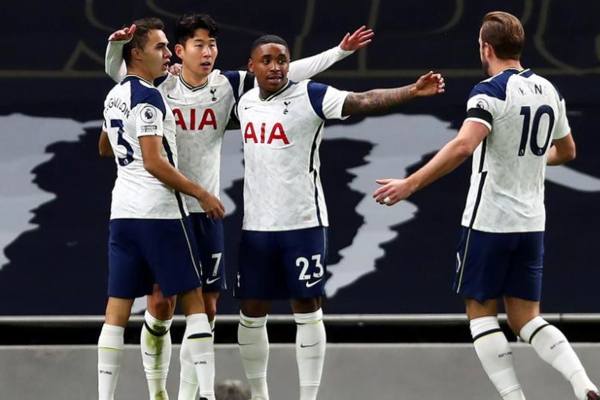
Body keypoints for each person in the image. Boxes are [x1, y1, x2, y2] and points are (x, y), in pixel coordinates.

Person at [103, 14, 374, 400]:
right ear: (180, 51)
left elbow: (282, 70)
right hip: (167, 209)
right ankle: (157, 390)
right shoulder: (159, 83)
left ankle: (191, 394)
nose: (208, 52)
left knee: (207, 308)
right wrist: (115, 45)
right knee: (161, 304)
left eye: (212, 45)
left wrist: (339, 52)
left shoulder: (228, 86)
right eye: (199, 45)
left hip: (206, 209)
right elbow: (121, 76)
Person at [372, 11, 599, 400]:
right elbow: (568, 151)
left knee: (480, 314)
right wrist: (527, 159)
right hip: (531, 223)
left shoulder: (489, 92)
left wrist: (410, 183)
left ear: (486, 48)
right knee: (526, 318)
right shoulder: (549, 90)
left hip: (489, 221)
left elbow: (463, 145)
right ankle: (584, 383)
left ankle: (514, 398)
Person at [234, 34, 444, 400]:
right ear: (251, 67)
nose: (275, 67)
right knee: (251, 310)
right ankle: (260, 395)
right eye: (266, 60)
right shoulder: (244, 101)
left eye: (282, 60)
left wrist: (411, 91)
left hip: (303, 223)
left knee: (307, 306)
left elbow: (364, 100)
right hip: (256, 226)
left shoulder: (311, 96)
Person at [98, 17, 222, 400]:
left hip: (123, 213)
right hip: (159, 213)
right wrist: (201, 193)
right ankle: (206, 393)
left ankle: (105, 396)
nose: (168, 53)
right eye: (160, 47)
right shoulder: (149, 98)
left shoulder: (114, 95)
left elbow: (104, 147)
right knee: (193, 300)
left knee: (116, 311)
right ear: (137, 53)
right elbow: (154, 162)